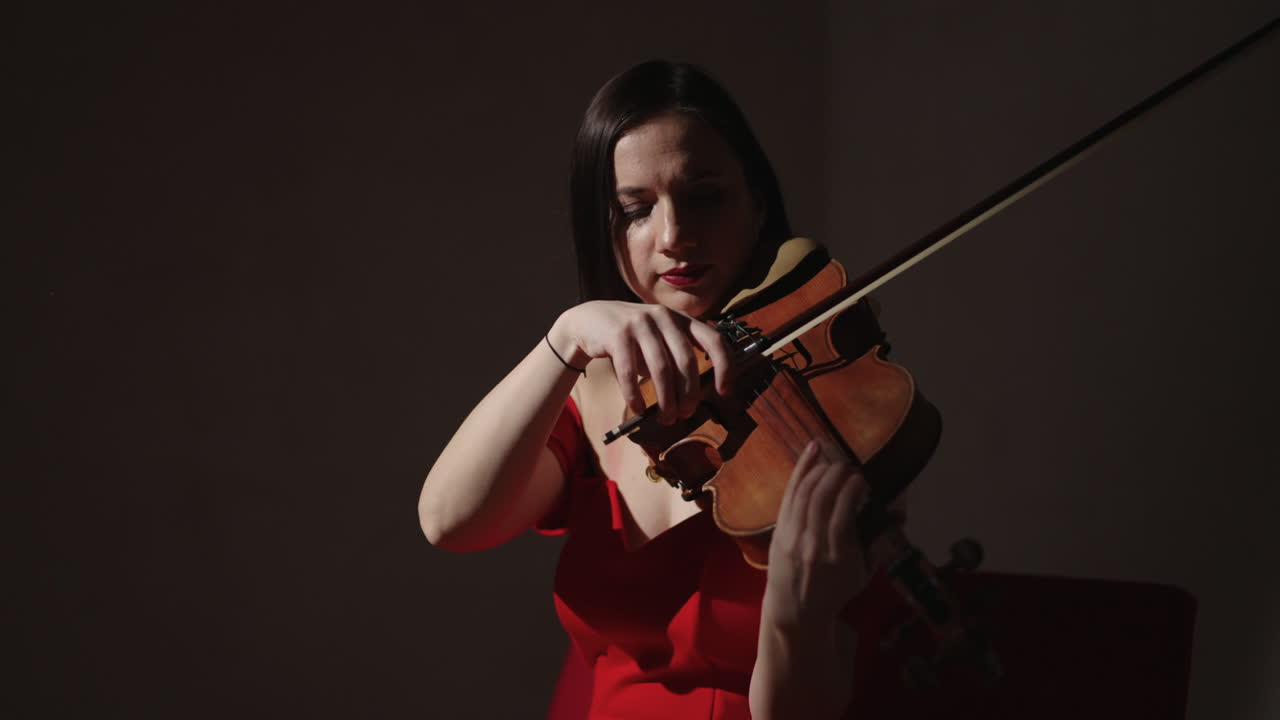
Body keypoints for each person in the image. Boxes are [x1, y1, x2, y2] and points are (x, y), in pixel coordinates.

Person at [420, 60, 888, 719]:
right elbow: (451, 522)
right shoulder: (589, 396)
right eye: (636, 211)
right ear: (605, 231)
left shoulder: (825, 404)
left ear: (756, 203)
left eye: (703, 198)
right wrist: (566, 337)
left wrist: (797, 614)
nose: (673, 238)